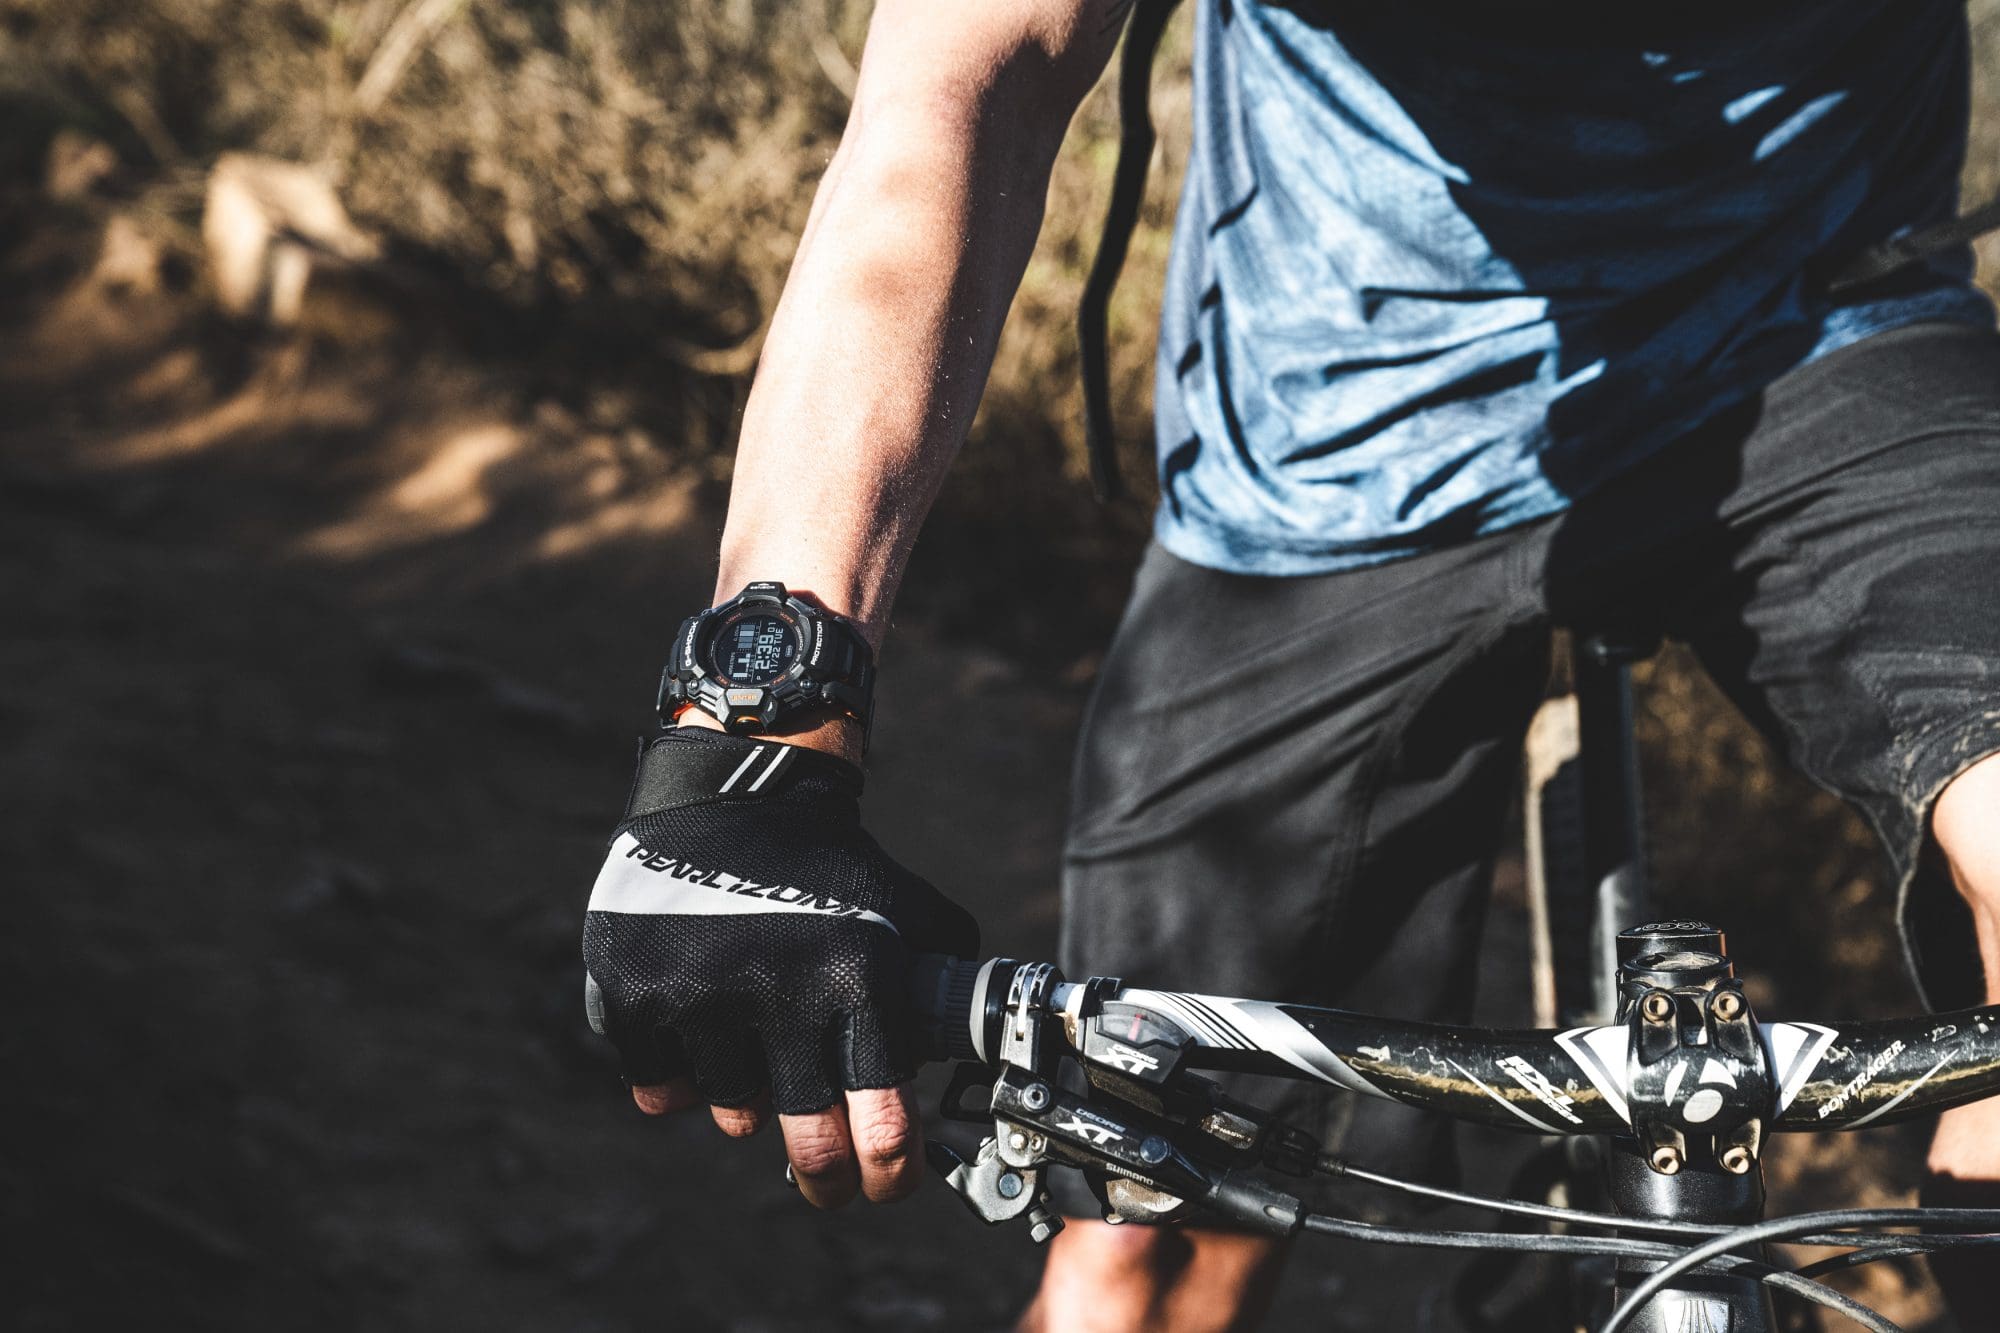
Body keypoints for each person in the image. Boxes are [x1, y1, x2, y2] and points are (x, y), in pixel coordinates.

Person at [579, 1, 2000, 1326]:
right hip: (1332, 435)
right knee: (1147, 1209)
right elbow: (959, 90)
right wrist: (755, 740)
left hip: (1819, 339)